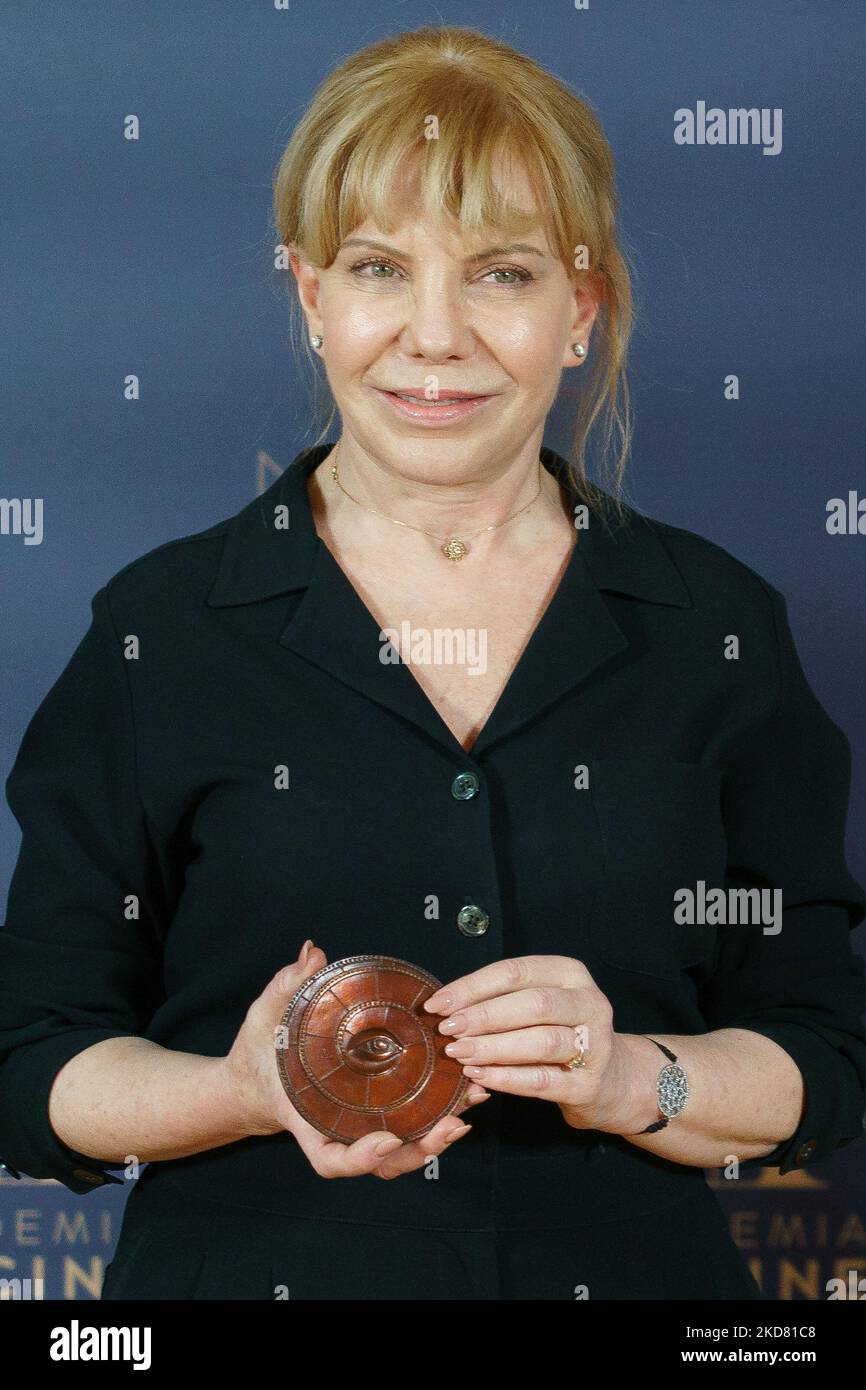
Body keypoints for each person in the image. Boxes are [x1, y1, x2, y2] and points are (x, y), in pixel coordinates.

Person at [1, 24, 865, 1302]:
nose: (434, 334)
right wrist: (237, 1091)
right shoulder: (161, 627)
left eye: (501, 273)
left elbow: (821, 1052)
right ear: (309, 297)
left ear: (581, 308)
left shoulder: (714, 628)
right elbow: (34, 1060)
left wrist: (633, 1076)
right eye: (377, 268)